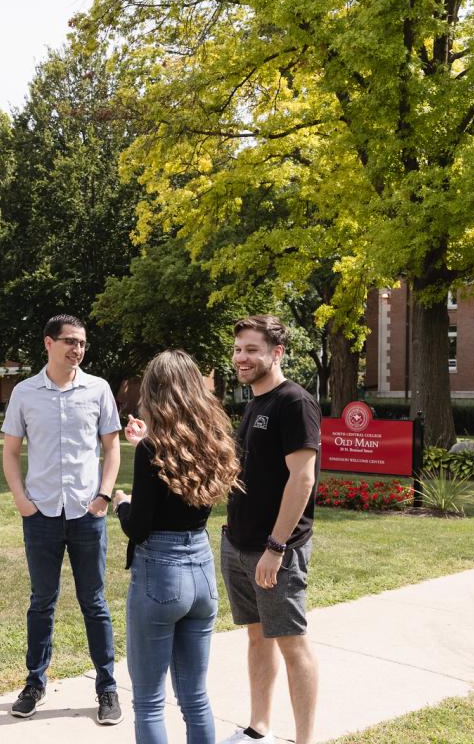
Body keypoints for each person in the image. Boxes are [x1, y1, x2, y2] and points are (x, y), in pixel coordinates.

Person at [1, 314, 124, 725]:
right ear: (48, 343)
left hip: (88, 514)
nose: (77, 349)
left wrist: (104, 495)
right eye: (69, 341)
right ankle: (35, 683)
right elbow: (11, 452)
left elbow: (112, 447)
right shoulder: (24, 392)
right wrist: (22, 501)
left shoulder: (98, 389)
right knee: (42, 603)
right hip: (42, 515)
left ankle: (107, 689)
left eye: (82, 343)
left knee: (95, 603)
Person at [114, 350, 240, 744]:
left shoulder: (152, 450)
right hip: (201, 569)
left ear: (155, 391)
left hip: (161, 574)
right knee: (195, 697)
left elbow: (140, 526)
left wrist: (121, 504)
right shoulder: (213, 440)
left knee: (150, 701)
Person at [217, 315, 321, 744]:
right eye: (239, 349)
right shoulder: (255, 401)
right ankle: (258, 725)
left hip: (275, 551)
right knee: (257, 637)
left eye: (252, 350)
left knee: (291, 644)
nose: (242, 357)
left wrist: (276, 547)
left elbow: (303, 478)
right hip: (239, 543)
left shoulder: (293, 402)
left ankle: (305, 740)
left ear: (276, 353)